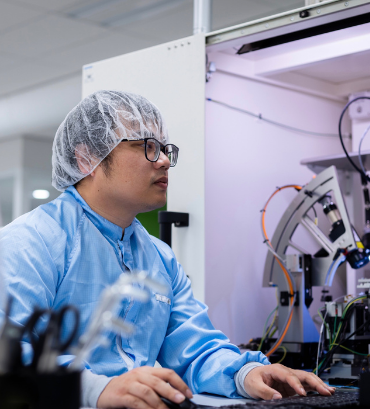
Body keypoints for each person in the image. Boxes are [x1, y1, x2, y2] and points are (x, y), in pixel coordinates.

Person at [0, 91, 334, 408]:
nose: (163, 161)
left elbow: (195, 349)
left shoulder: (159, 257)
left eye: (164, 148)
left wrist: (246, 373)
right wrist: (96, 389)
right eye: (146, 147)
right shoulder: (29, 243)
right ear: (87, 158)